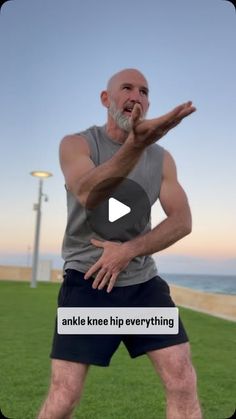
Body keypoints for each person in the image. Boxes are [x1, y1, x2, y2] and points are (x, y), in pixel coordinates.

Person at [38, 68, 202, 419]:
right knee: (64, 395)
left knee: (182, 381)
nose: (136, 96)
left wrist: (129, 250)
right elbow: (87, 192)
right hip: (88, 282)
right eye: (126, 88)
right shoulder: (78, 144)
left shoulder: (161, 158)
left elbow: (182, 221)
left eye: (144, 91)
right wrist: (134, 145)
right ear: (105, 99)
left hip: (142, 286)